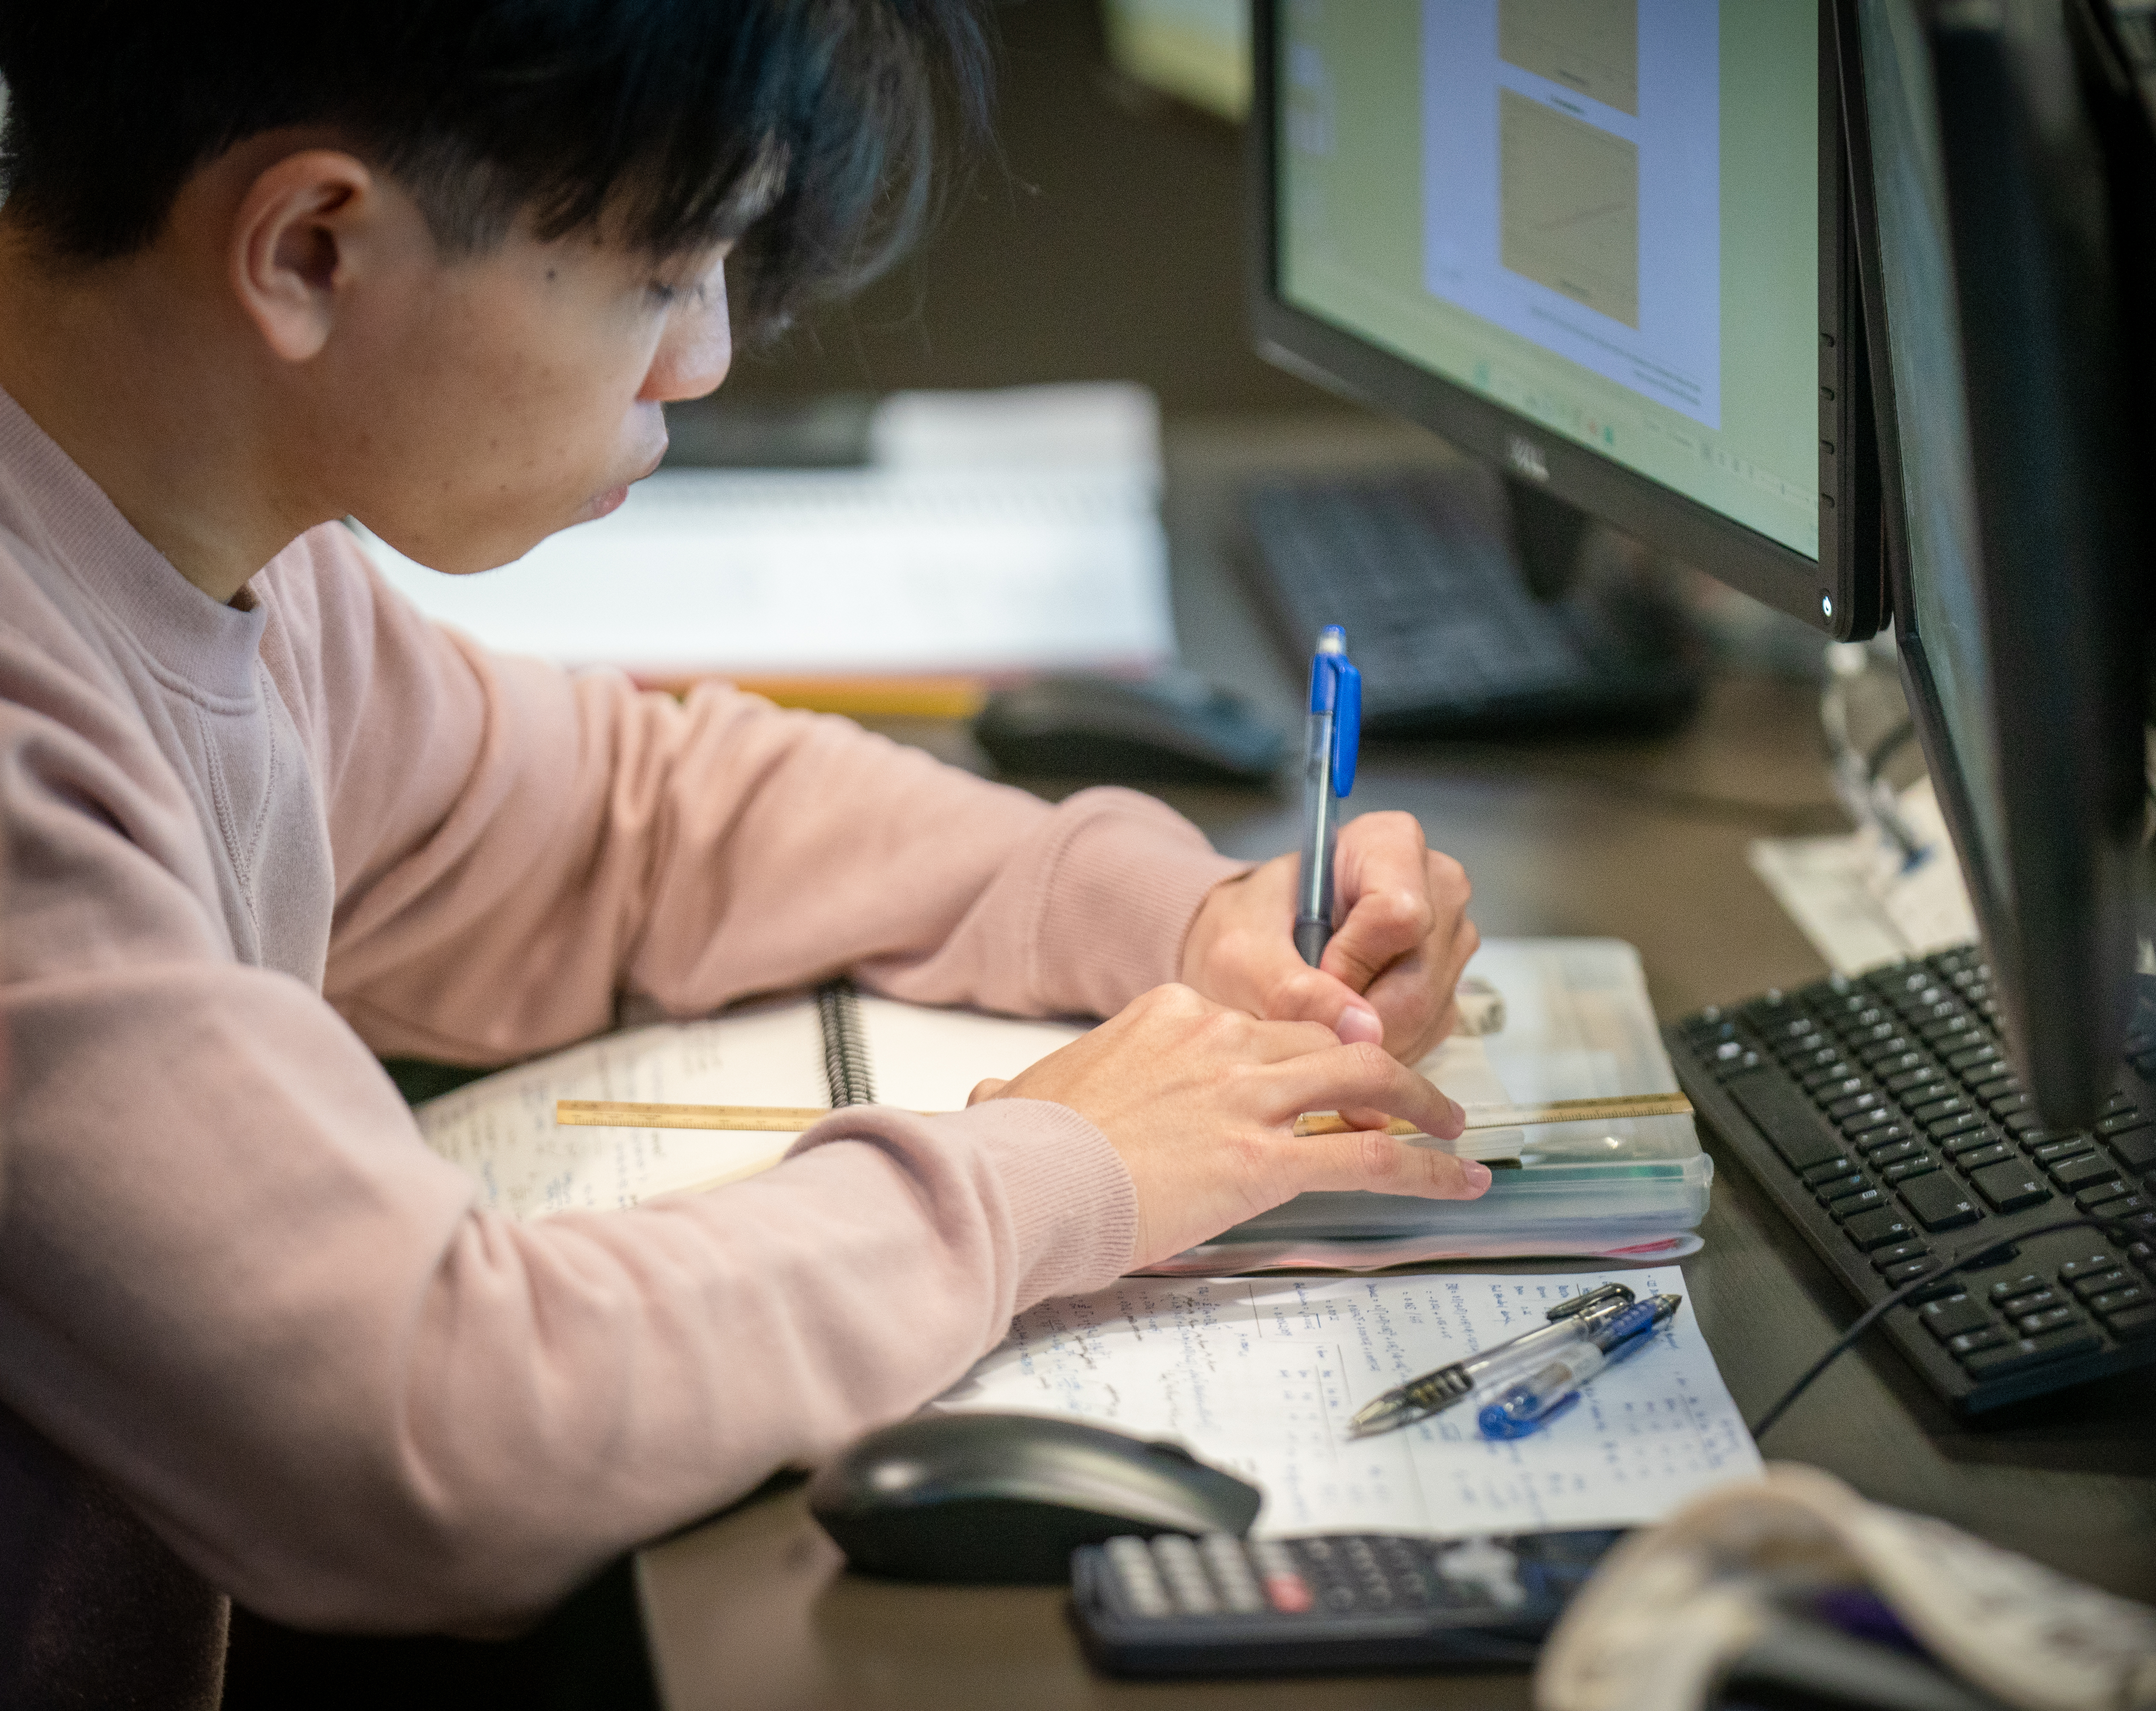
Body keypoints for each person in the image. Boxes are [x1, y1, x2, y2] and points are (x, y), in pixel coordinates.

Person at [0, 4, 1490, 1704]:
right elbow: (432, 1425)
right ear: (313, 249)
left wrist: (1181, 915)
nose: (700, 357)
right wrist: (1063, 1165)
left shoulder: (197, 545)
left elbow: (636, 819)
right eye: (659, 276)